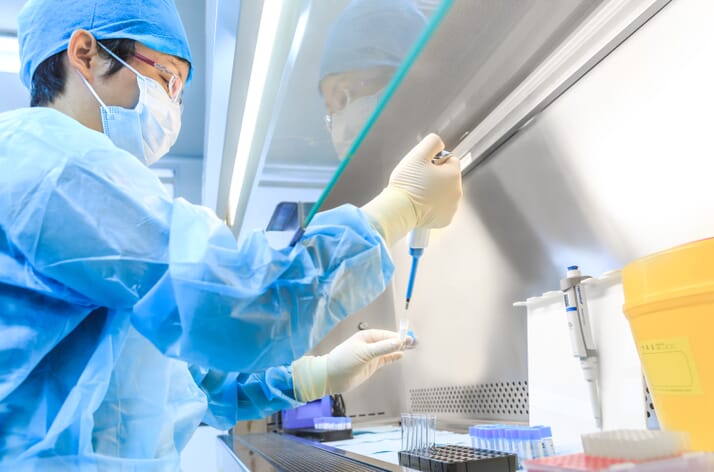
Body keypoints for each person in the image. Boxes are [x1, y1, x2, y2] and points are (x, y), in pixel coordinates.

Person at [0, 1, 462, 471]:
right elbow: (235, 299)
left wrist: (310, 377)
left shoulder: (57, 168)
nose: (172, 108)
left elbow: (181, 383)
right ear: (85, 53)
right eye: (167, 79)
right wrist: (398, 209)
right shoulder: (57, 167)